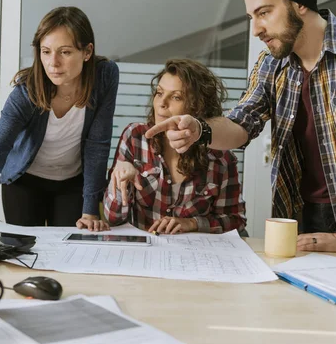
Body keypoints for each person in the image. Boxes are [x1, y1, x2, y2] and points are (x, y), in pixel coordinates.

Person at [146, 0, 336, 259]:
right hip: (302, 220)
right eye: (252, 17)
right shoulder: (271, 64)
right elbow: (241, 126)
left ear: (299, 3)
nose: (256, 29)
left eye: (264, 13)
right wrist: (200, 129)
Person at [0, 6, 119, 230]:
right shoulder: (26, 93)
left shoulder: (105, 77)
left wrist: (90, 210)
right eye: (46, 51)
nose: (53, 63)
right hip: (24, 181)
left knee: (71, 251)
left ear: (87, 52)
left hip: (72, 182)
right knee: (27, 253)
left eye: (65, 52)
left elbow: (98, 144)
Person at [77, 59, 246, 235]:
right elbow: (113, 217)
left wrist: (192, 223)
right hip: (142, 254)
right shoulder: (135, 137)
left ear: (199, 106)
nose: (161, 103)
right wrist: (122, 182)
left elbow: (236, 221)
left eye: (176, 97)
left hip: (191, 256)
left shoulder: (221, 157)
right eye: (159, 93)